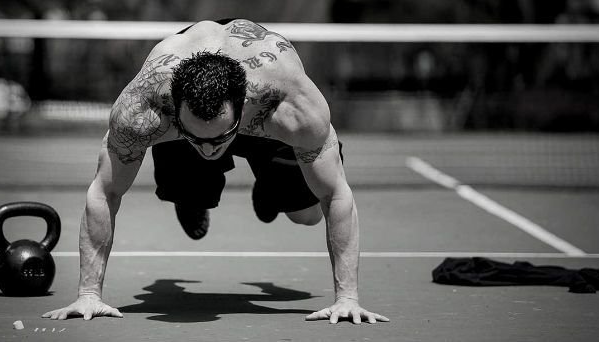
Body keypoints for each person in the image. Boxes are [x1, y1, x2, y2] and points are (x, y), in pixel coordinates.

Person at [42, 19, 389, 325]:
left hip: (262, 120)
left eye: (219, 139)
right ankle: (193, 194)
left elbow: (336, 194)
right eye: (197, 138)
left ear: (243, 107)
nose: (209, 150)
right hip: (189, 119)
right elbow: (105, 192)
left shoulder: (291, 107)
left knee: (307, 215)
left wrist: (347, 299)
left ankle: (267, 192)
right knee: (189, 188)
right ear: (175, 110)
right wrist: (89, 293)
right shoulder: (143, 109)